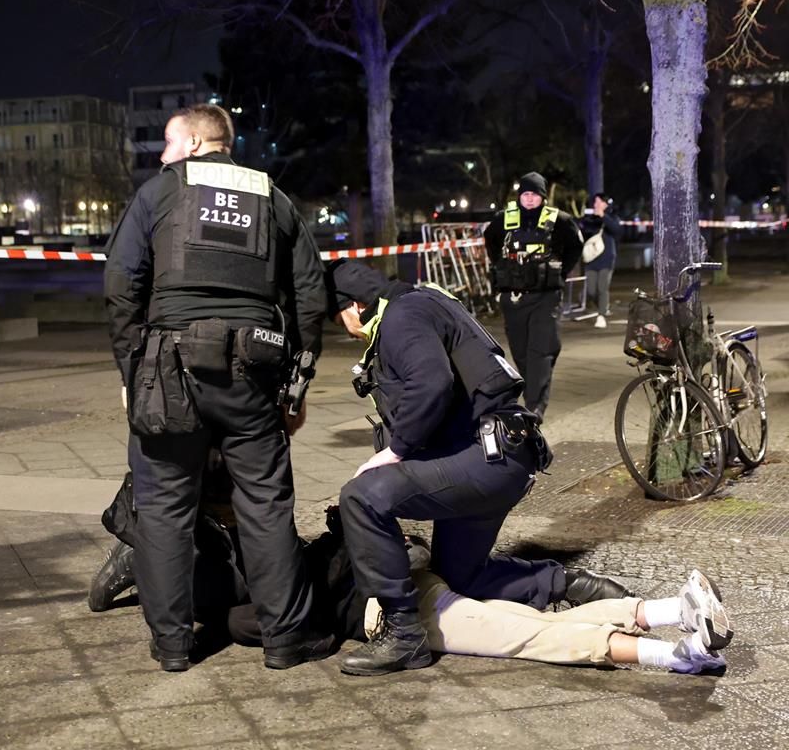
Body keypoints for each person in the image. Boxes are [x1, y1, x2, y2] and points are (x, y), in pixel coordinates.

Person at [103, 103, 330, 672]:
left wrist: (135, 367)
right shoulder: (273, 199)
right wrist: (297, 384)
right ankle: (284, 641)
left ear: (198, 143)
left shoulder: (160, 193)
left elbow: (120, 280)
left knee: (163, 508)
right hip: (254, 369)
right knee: (266, 504)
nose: (161, 155)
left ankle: (174, 647)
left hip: (169, 367)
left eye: (168, 143)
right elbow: (309, 293)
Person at [323, 259, 631, 676]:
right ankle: (572, 585)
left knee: (362, 496)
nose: (343, 329)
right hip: (501, 453)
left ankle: (403, 635)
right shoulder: (425, 301)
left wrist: (395, 451)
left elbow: (431, 383)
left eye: (338, 316)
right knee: (460, 578)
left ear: (354, 306)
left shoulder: (400, 316)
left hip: (486, 458)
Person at [89, 513, 731, 675]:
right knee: (505, 618)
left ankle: (668, 652)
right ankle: (672, 612)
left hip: (397, 603)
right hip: (403, 583)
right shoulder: (269, 572)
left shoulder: (251, 604)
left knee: (517, 635)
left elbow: (279, 628)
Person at [484, 172, 584, 419]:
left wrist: (559, 272)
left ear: (542, 196)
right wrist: (502, 267)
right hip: (514, 297)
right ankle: (534, 390)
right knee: (520, 351)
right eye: (525, 194)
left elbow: (575, 245)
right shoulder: (504, 219)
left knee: (540, 349)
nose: (529, 199)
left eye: (534, 195)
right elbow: (490, 240)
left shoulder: (558, 220)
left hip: (545, 295)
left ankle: (535, 405)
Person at [580, 193, 622, 329]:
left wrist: (604, 216)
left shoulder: (611, 217)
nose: (596, 205)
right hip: (591, 258)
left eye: (599, 202)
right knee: (591, 291)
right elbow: (584, 231)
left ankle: (601, 315)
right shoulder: (590, 218)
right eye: (595, 203)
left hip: (607, 258)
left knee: (602, 288)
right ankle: (604, 306)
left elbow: (617, 230)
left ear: (605, 204)